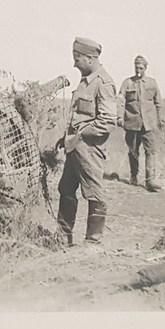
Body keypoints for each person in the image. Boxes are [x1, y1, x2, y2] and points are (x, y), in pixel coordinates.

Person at [56, 37, 117, 245]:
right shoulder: (85, 81)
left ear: (90, 58)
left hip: (90, 149)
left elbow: (107, 122)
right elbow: (78, 116)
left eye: (77, 58)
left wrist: (80, 135)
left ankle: (93, 241)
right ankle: (63, 237)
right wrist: (65, 137)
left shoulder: (103, 84)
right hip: (74, 146)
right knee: (65, 189)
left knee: (93, 192)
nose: (74, 64)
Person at [116, 55, 164, 192]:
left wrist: (160, 119)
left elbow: (158, 103)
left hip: (148, 124)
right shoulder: (127, 83)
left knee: (150, 151)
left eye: (141, 68)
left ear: (145, 68)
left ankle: (150, 180)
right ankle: (133, 176)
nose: (138, 70)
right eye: (136, 67)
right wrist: (119, 117)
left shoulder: (152, 83)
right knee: (133, 151)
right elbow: (120, 100)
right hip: (132, 123)